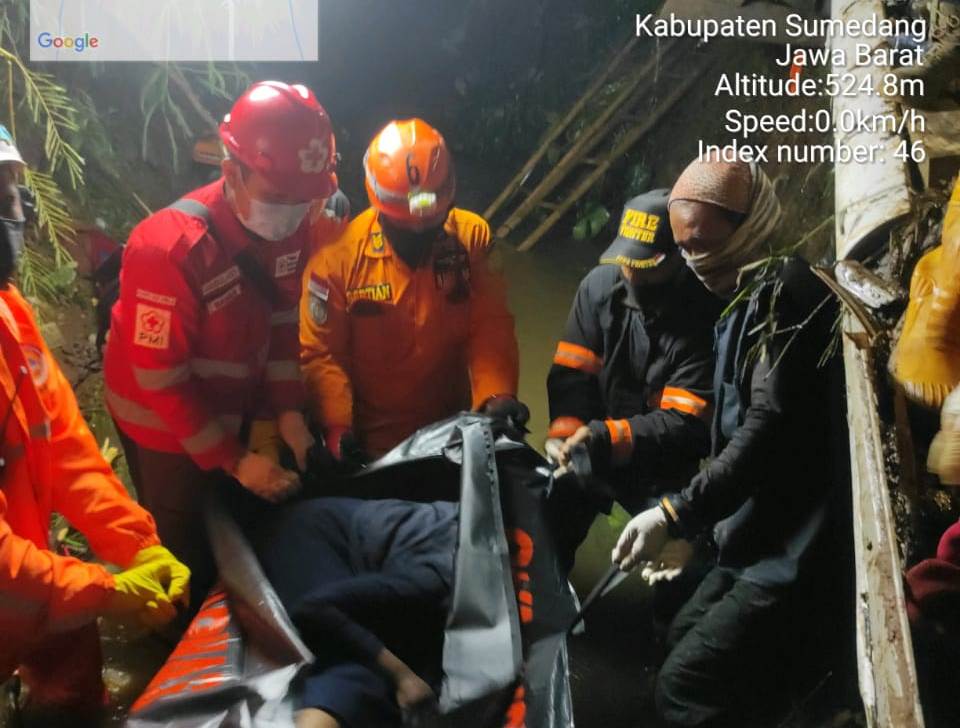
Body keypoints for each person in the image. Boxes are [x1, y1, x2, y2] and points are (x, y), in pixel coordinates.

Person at [612, 156, 842, 727]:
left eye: (704, 245)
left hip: (793, 552)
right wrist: (701, 536)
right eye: (684, 249)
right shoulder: (744, 296)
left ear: (752, 223)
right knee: (677, 633)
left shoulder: (782, 297)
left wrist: (671, 513)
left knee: (682, 689)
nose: (694, 261)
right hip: (753, 535)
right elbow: (737, 434)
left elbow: (765, 430)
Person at [103, 81, 340, 611]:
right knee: (181, 538)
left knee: (237, 514)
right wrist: (235, 461)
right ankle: (173, 639)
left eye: (305, 199)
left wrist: (290, 416)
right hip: (158, 419)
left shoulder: (292, 227)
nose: (294, 213)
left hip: (226, 398)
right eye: (280, 197)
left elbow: (282, 321)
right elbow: (162, 380)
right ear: (231, 172)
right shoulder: (168, 249)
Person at [0, 125, 189, 721]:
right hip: (19, 581)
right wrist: (103, 591)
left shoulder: (9, 314)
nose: (16, 215)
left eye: (15, 197)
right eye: (2, 198)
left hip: (33, 588)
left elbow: (67, 452)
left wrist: (138, 549)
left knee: (74, 696)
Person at [300, 118, 522, 462]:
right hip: (371, 445)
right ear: (378, 202)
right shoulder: (336, 262)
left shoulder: (471, 239)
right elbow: (322, 354)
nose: (418, 228)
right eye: (404, 223)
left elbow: (490, 326)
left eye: (430, 221)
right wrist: (336, 428)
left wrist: (497, 397)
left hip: (454, 435)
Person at [547, 189, 719, 530]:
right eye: (627, 261)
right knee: (547, 512)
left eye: (646, 264)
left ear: (679, 257)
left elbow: (685, 425)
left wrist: (604, 439)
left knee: (684, 558)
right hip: (589, 447)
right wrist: (566, 436)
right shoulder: (598, 289)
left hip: (659, 468)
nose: (631, 274)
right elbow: (571, 375)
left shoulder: (703, 314)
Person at [254, 496, 456, 728]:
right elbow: (314, 608)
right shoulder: (434, 579)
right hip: (310, 534)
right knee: (355, 669)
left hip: (372, 550)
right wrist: (403, 675)